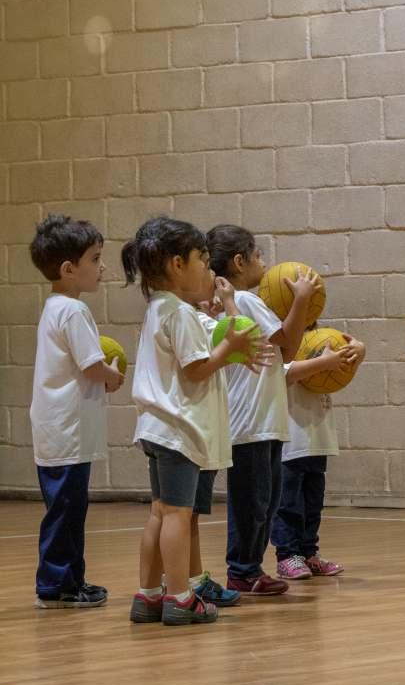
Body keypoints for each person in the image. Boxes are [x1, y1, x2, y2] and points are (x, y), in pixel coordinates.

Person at [124, 217, 264, 626]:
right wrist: (232, 345)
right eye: (202, 259)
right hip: (178, 430)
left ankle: (148, 595)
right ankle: (181, 597)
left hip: (156, 428)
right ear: (176, 265)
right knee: (178, 515)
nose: (208, 267)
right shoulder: (178, 314)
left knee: (160, 512)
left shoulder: (160, 308)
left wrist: (227, 326)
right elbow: (197, 370)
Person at [207, 224, 321, 595]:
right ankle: (242, 569)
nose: (264, 263)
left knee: (263, 501)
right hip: (251, 421)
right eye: (258, 255)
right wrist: (301, 298)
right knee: (253, 502)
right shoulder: (247, 300)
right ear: (239, 262)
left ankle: (249, 569)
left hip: (259, 420)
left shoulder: (238, 302)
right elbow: (288, 348)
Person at [29, 214, 124, 609]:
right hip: (66, 430)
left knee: (67, 509)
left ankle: (71, 581)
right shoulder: (73, 311)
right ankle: (56, 586)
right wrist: (113, 375)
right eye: (95, 258)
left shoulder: (55, 307)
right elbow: (92, 366)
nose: (102, 267)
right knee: (66, 511)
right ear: (69, 269)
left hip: (57, 428)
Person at [271, 333, 365, 579]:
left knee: (312, 504)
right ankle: (287, 555)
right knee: (288, 504)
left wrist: (359, 352)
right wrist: (324, 363)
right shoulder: (279, 342)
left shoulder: (322, 336)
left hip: (318, 434)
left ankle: (308, 554)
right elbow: (284, 374)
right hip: (290, 437)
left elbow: (345, 361)